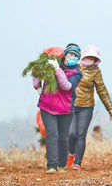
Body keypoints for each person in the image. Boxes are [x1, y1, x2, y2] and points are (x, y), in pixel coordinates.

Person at [32, 44, 82, 174]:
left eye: (75, 56)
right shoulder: (53, 64)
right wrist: (37, 87)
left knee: (63, 137)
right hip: (47, 107)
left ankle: (61, 165)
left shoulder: (77, 73)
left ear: (78, 58)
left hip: (65, 109)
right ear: (65, 55)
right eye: (70, 54)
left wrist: (57, 71)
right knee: (52, 135)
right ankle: (52, 166)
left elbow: (67, 86)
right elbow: (37, 70)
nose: (72, 57)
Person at [67, 45, 112, 170]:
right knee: (71, 133)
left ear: (95, 60)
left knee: (81, 134)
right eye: (88, 56)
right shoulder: (73, 67)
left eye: (92, 58)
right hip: (71, 105)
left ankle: (78, 163)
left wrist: (110, 108)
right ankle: (71, 153)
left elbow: (102, 90)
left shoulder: (96, 72)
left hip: (86, 107)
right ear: (83, 56)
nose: (89, 59)